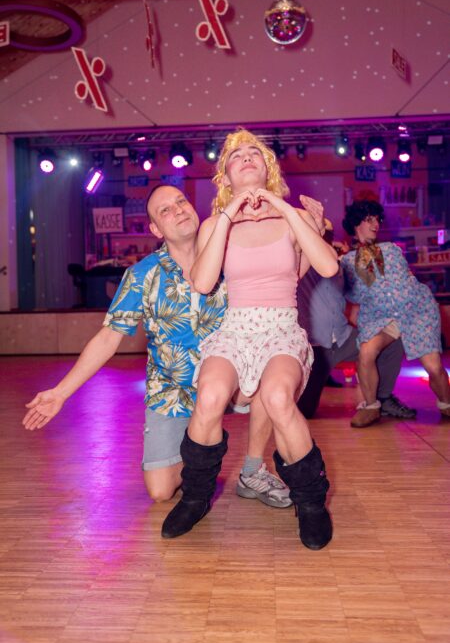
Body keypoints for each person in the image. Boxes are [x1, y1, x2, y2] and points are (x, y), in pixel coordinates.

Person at [22, 185, 290, 507]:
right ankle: (205, 450)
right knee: (160, 491)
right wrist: (60, 393)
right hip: (172, 392)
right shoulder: (142, 275)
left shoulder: (231, 258)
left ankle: (252, 470)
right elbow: (108, 338)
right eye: (165, 210)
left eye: (181, 201)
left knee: (268, 375)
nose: (178, 210)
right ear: (155, 229)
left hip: (229, 380)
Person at [161, 129, 339, 550]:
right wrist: (228, 214)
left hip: (281, 327)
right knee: (209, 395)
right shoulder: (214, 225)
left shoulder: (293, 216)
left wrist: (285, 208)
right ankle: (196, 497)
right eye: (235, 155)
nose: (245, 157)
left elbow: (328, 267)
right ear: (225, 175)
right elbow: (203, 283)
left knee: (277, 398)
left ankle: (311, 502)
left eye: (254, 153)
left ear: (267, 168)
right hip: (236, 328)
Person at [340, 199, 450, 427]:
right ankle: (371, 407)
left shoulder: (391, 249)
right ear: (356, 223)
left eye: (377, 220)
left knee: (434, 367)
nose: (376, 225)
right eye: (369, 220)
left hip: (416, 311)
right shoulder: (347, 261)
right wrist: (347, 260)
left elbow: (402, 279)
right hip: (383, 317)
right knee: (366, 352)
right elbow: (357, 295)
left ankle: (446, 403)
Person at [297, 223, 417, 422]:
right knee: (304, 412)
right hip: (315, 347)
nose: (326, 237)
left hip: (343, 338)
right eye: (321, 232)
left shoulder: (342, 263)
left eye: (329, 234)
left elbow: (368, 288)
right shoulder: (300, 263)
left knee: (392, 342)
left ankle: (382, 398)